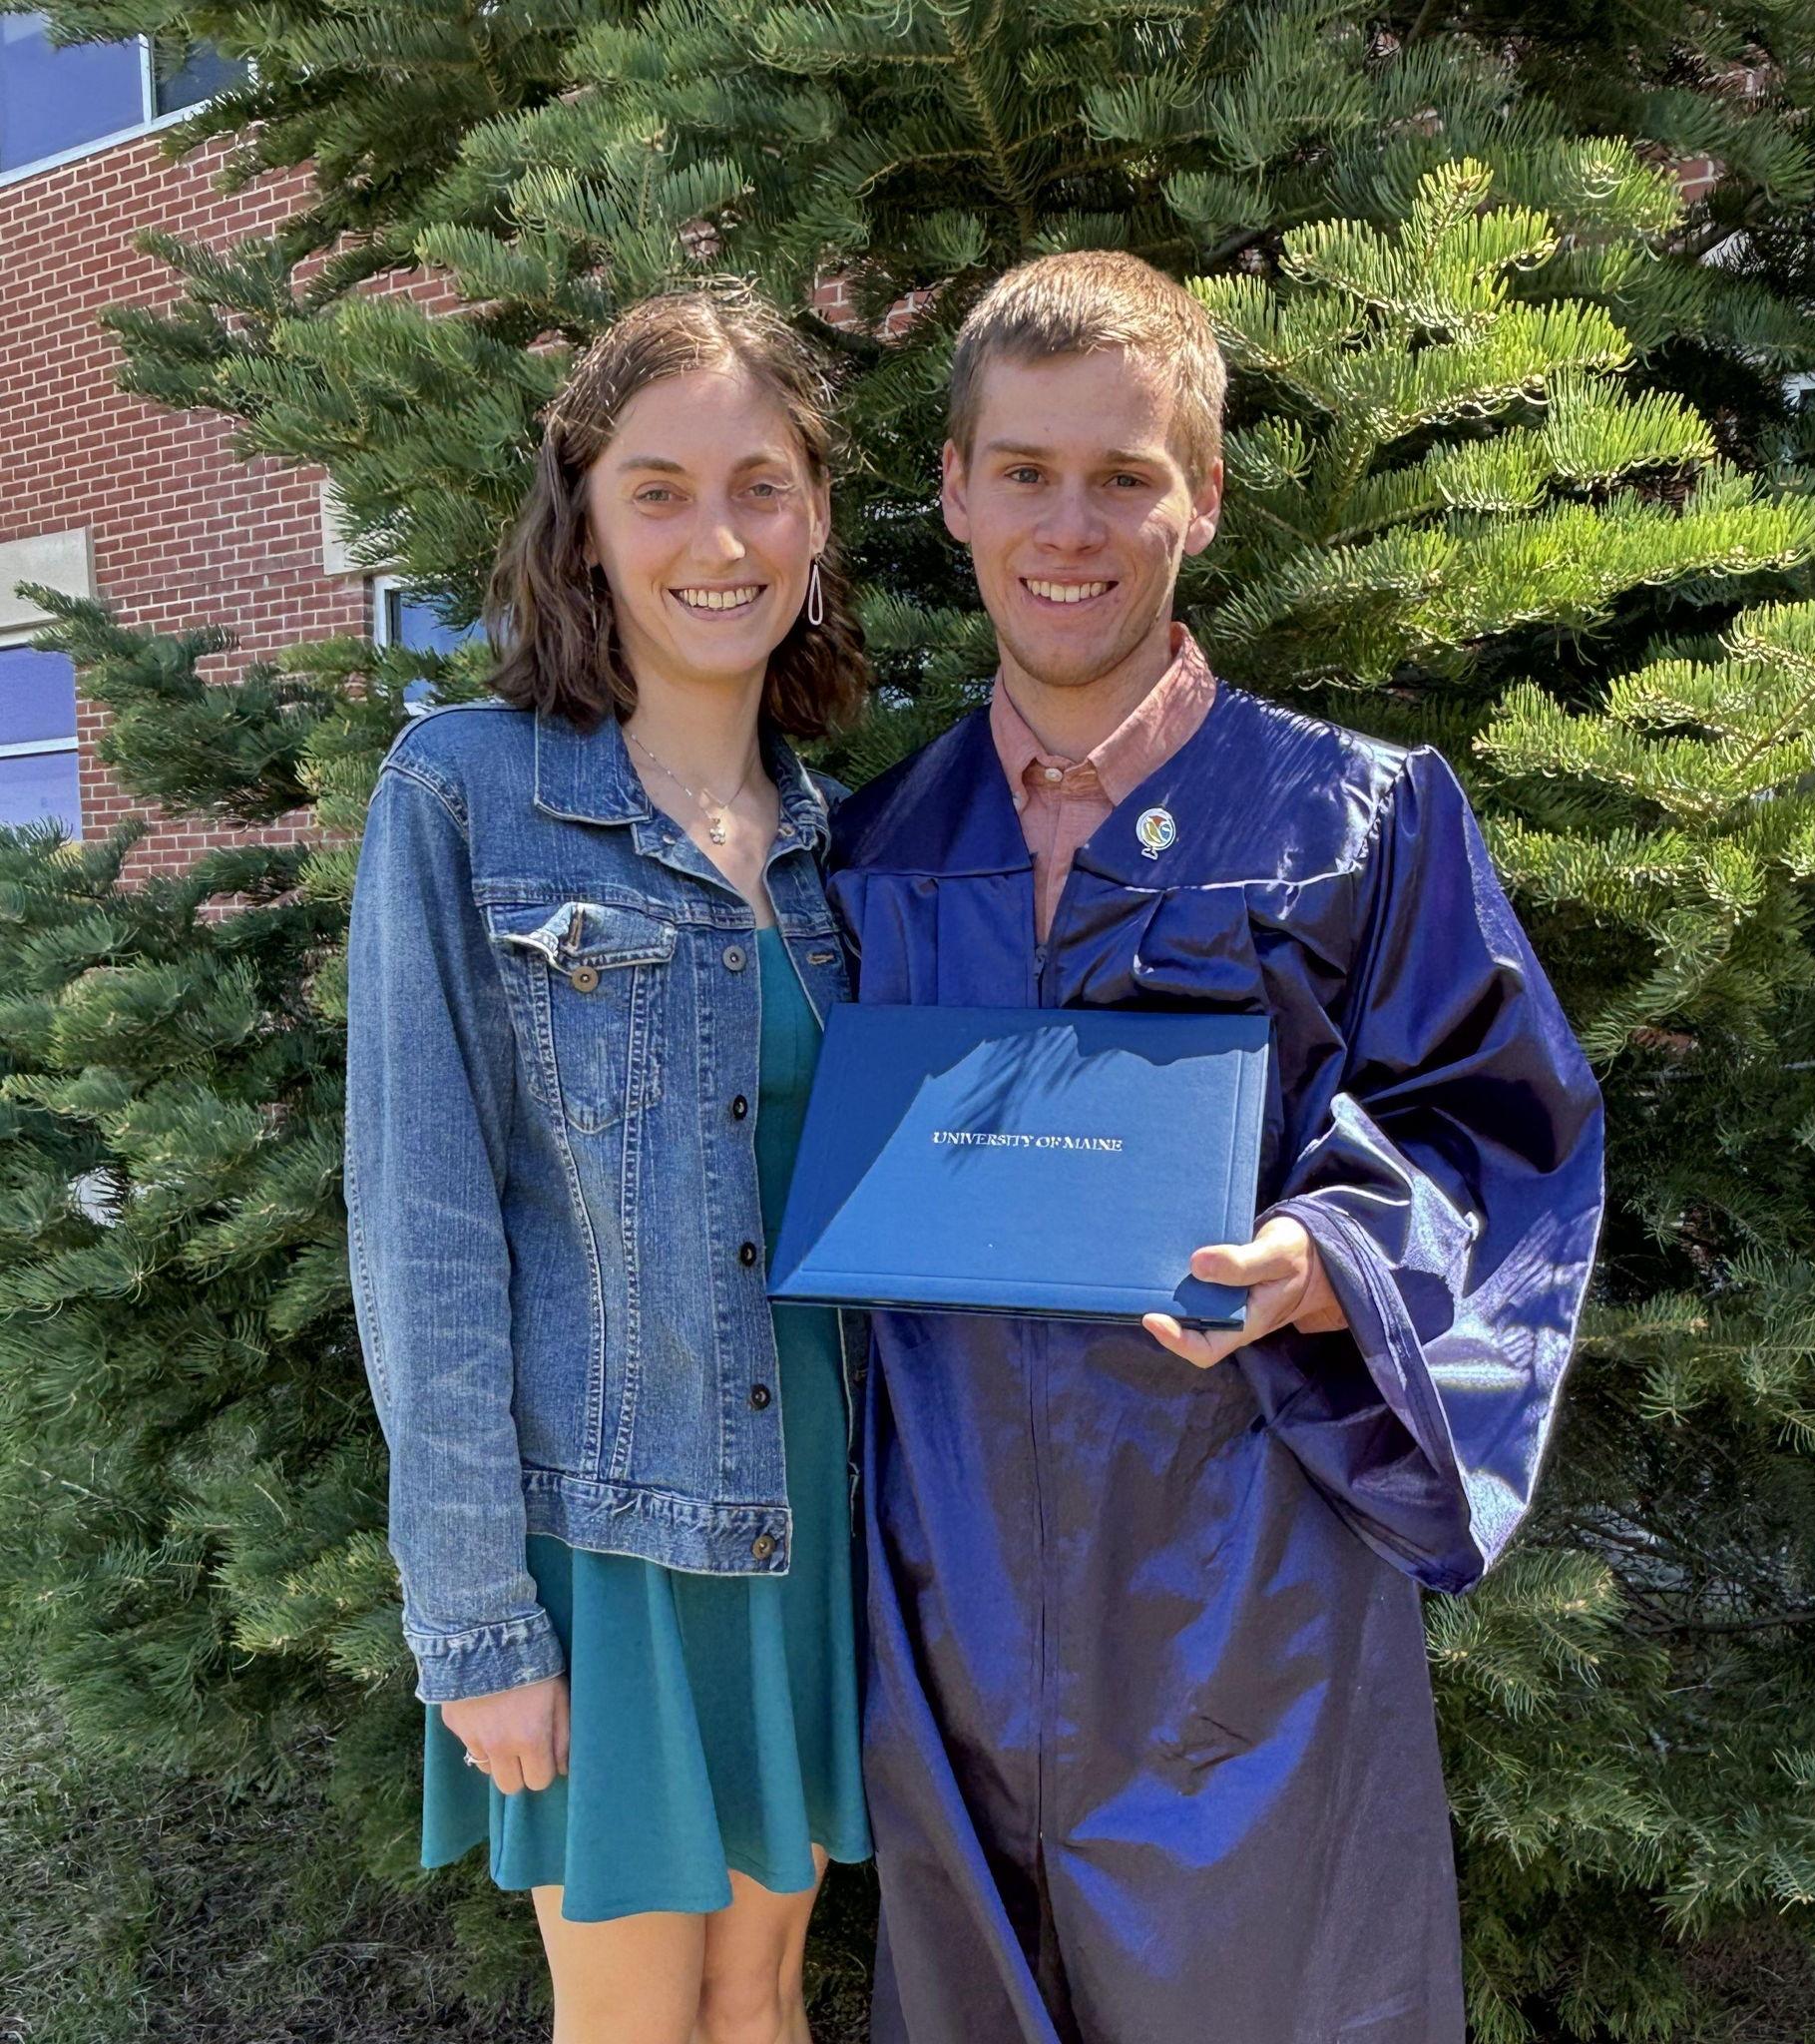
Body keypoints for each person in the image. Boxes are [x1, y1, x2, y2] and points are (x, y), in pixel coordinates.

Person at [825, 251, 1606, 2043]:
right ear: (953, 490)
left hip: (1238, 1583)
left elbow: (1505, 1124)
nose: (1069, 525)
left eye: (1124, 474)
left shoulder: (1357, 816)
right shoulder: (871, 849)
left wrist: (1335, 1255)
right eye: (1023, 470)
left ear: (1206, 496)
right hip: (938, 1576)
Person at [343, 284, 872, 2044]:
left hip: (807, 1517)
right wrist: (477, 1620)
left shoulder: (837, 843)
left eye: (761, 485)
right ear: (580, 514)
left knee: (765, 1994)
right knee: (637, 2018)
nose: (715, 537)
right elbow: (422, 1233)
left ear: (815, 515)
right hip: (602, 1536)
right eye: (658, 488)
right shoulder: (464, 795)